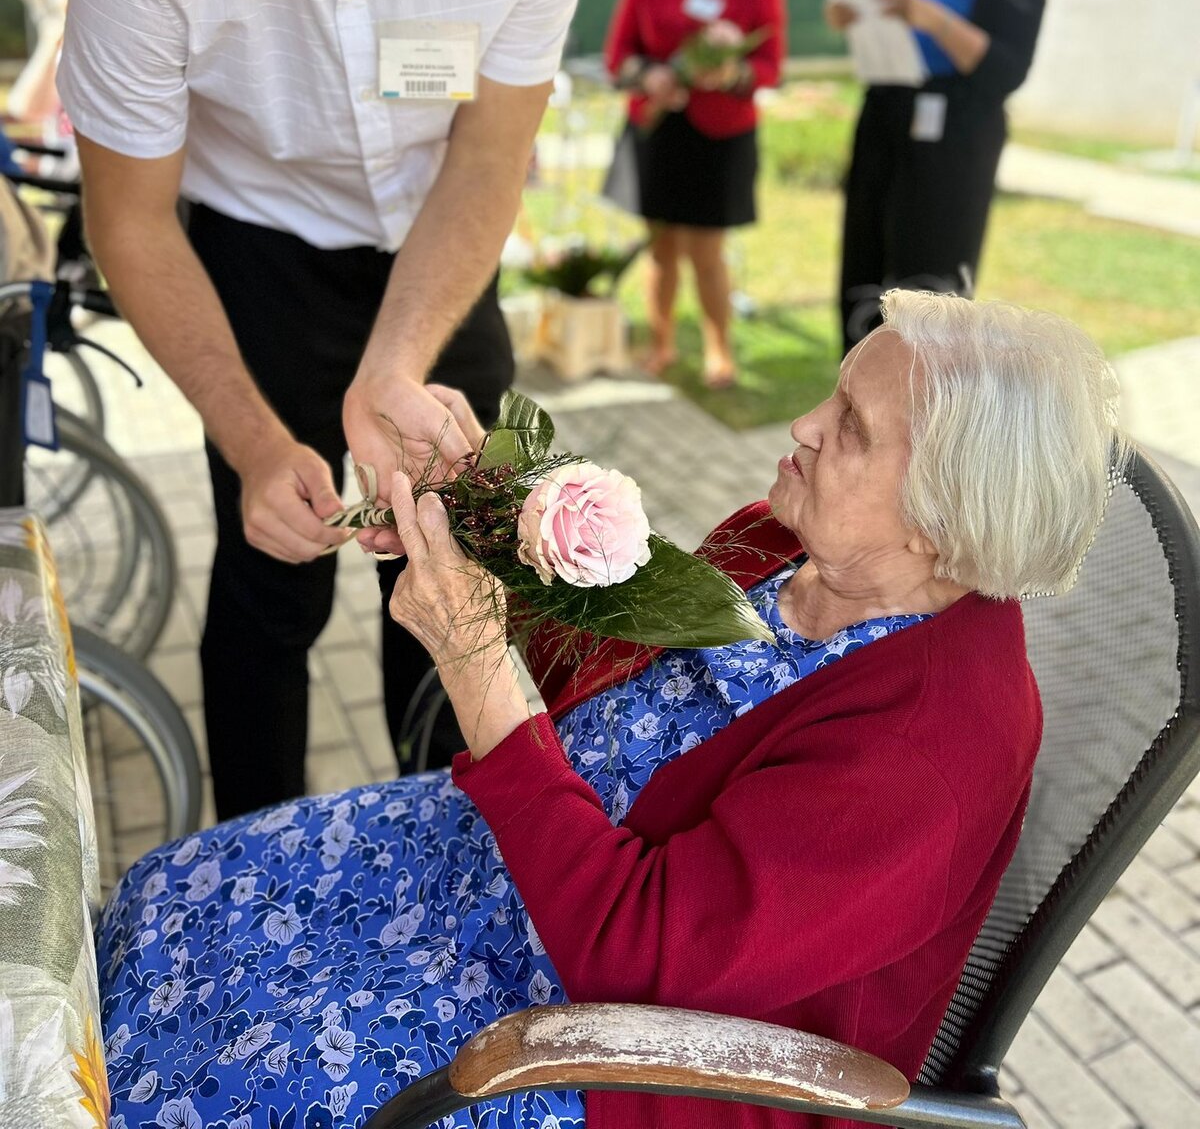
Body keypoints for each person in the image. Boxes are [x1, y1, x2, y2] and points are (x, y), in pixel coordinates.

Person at [96, 290, 1125, 1129]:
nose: (804, 425)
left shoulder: (930, 746)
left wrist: (473, 662)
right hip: (511, 868)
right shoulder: (787, 543)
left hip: (615, 1050)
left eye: (850, 427)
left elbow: (637, 959)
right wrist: (482, 509)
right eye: (834, 393)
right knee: (176, 891)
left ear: (943, 520)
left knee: (222, 1073)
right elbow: (600, 669)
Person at [55, 0, 595, 820]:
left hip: (440, 251)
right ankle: (255, 862)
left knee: (462, 584)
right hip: (252, 253)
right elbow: (131, 219)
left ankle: (459, 853)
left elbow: (490, 156)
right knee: (270, 582)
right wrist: (252, 440)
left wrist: (397, 365)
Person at [826, 0, 1046, 354]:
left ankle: (921, 401)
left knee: (927, 293)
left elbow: (1009, 69)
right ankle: (856, 386)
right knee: (862, 275)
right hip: (885, 125)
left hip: (953, 145)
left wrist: (934, 21)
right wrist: (855, 16)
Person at [603, 0, 786, 388]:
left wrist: (729, 74)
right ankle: (661, 344)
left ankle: (718, 351)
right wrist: (648, 76)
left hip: (720, 134)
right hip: (659, 128)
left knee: (707, 251)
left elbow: (770, 65)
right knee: (661, 249)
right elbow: (619, 57)